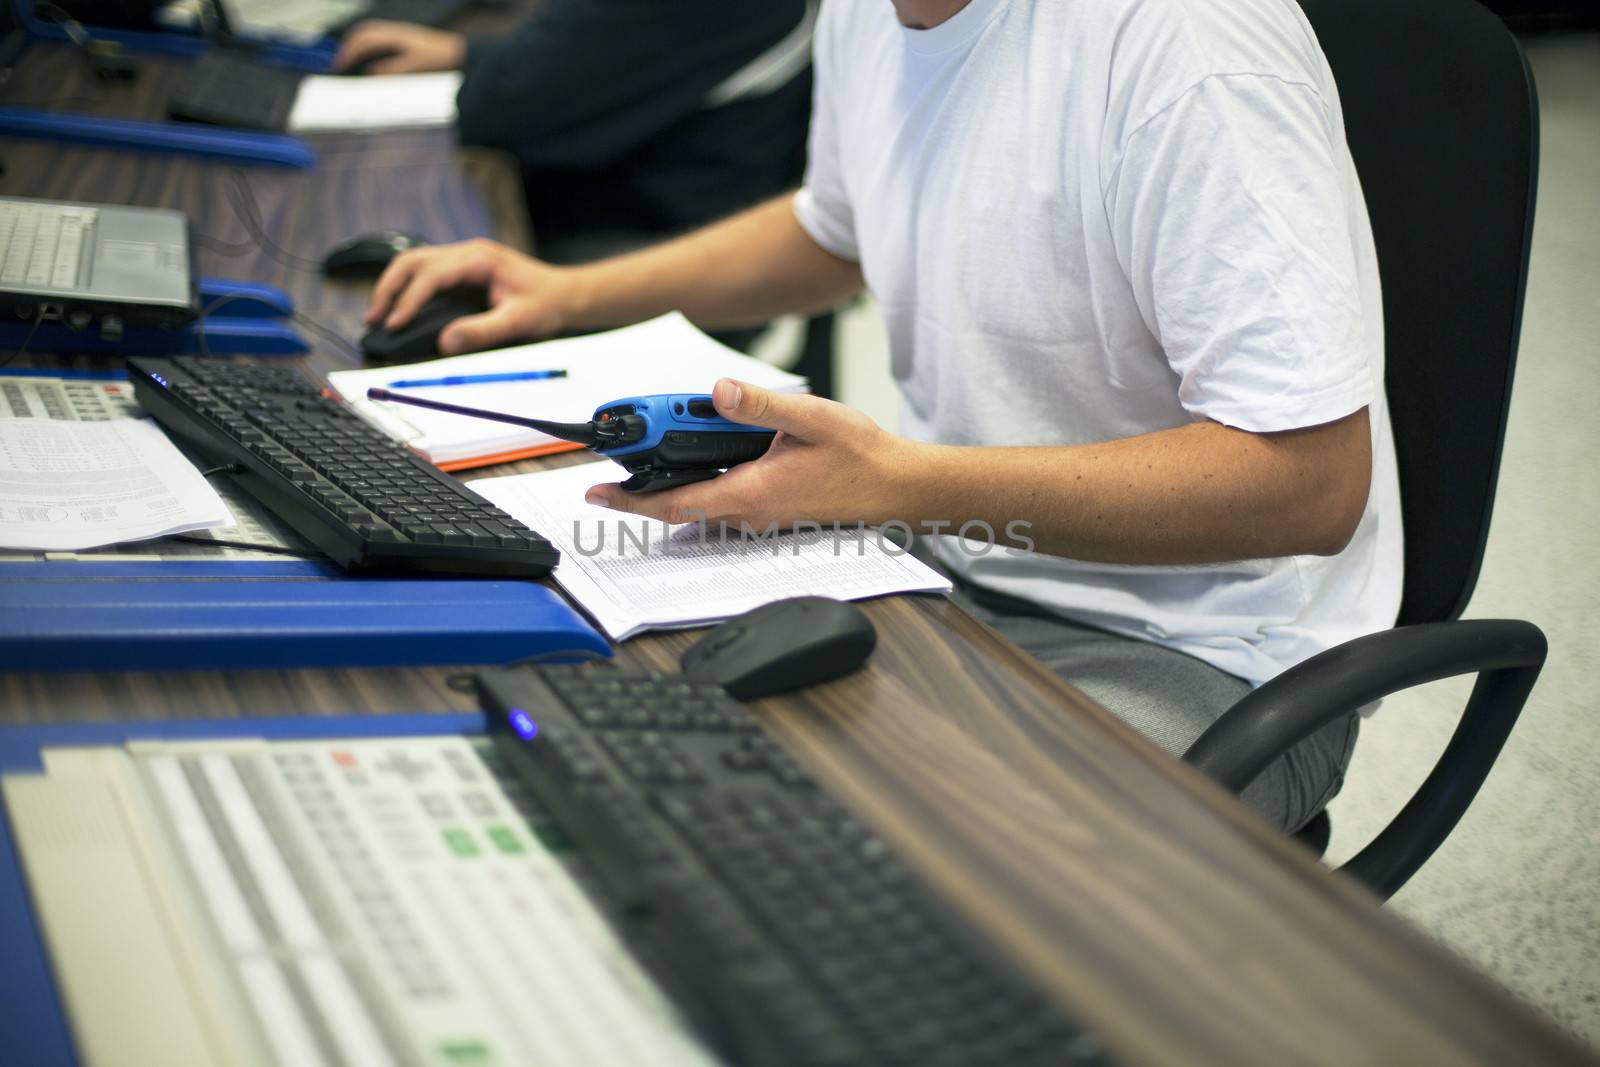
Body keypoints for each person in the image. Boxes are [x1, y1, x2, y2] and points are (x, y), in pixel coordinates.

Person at [363, 0, 1403, 833]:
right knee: (622, 735)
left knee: (876, 858)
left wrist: (901, 482)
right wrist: (569, 294)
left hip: (1202, 650)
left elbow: (1308, 483)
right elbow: (833, 230)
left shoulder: (1187, 46)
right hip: (947, 561)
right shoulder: (868, 12)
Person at [335, 1, 816, 265]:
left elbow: (502, 108)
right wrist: (469, 53)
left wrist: (486, 63)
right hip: (684, 207)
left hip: (638, 244)